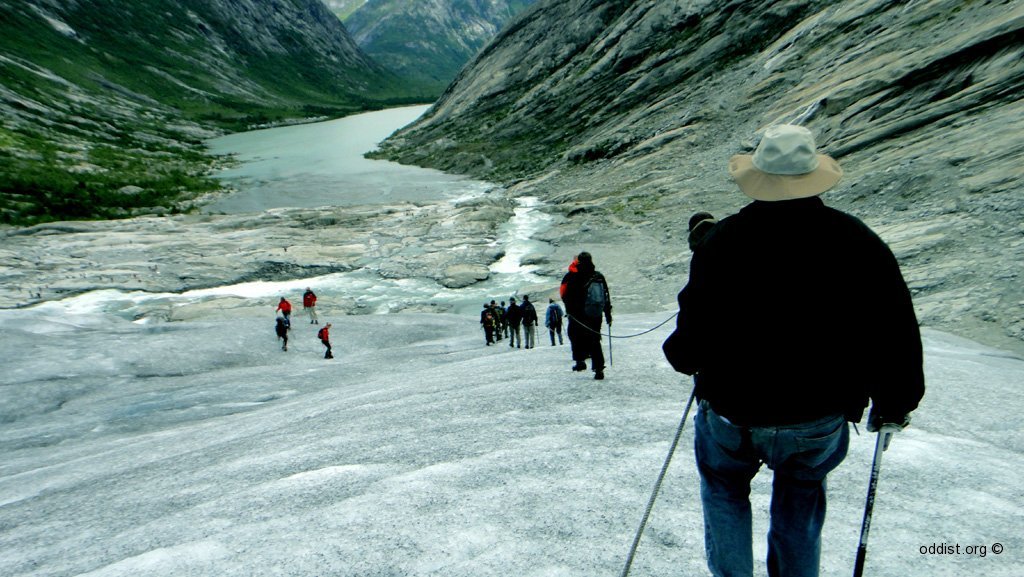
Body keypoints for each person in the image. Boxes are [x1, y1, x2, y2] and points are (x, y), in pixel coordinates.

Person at [662, 124, 925, 577]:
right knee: (800, 500)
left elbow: (690, 338)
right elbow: (893, 325)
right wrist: (895, 401)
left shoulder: (721, 242)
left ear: (759, 176)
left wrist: (686, 357)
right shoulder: (856, 240)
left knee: (724, 490)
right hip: (817, 413)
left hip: (732, 408)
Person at [560, 251, 612, 380]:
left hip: (578, 315)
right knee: (595, 339)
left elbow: (565, 295)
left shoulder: (572, 276)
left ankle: (580, 362)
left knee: (575, 336)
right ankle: (599, 369)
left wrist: (569, 311)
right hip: (595, 314)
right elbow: (605, 295)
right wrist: (607, 314)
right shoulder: (598, 276)